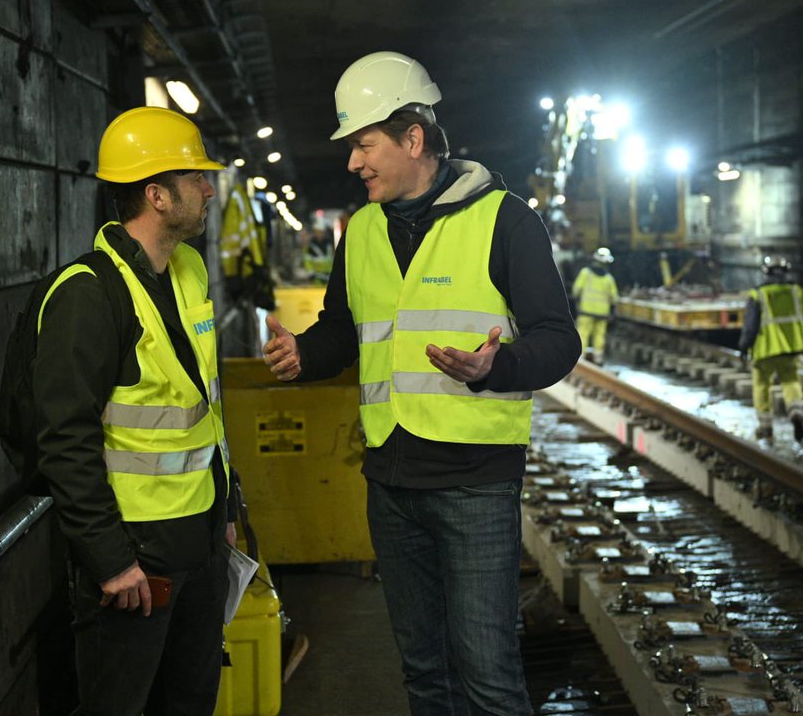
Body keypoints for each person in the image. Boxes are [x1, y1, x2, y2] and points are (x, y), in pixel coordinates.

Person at [263, 50, 580, 716]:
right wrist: (304, 355)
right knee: (424, 672)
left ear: (414, 139)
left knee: (488, 676)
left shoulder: (506, 221)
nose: (354, 163)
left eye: (365, 144)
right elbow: (344, 331)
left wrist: (500, 366)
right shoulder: (362, 231)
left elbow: (558, 338)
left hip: (475, 482)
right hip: (390, 480)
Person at [33, 106, 239, 716]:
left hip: (200, 542)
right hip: (134, 559)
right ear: (157, 195)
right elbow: (64, 440)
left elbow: (204, 407)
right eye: (195, 179)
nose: (207, 189)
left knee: (191, 700)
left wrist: (226, 508)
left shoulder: (189, 271)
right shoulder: (86, 296)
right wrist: (109, 560)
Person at [738, 255, 803, 442]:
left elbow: (750, 326)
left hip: (765, 350)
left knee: (762, 385)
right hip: (790, 349)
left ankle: (765, 427)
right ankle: (796, 412)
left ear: (765, 273)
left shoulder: (758, 295)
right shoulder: (798, 292)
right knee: (790, 381)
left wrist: (744, 346)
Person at [571, 247, 620, 363]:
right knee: (599, 336)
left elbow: (576, 290)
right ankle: (598, 359)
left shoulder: (585, 274)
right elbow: (614, 298)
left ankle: (580, 360)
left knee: (583, 334)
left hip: (586, 311)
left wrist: (577, 303)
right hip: (602, 313)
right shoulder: (609, 279)